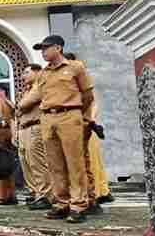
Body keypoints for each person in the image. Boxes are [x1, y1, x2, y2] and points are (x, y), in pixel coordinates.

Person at [33, 36, 95, 223]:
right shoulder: (43, 73)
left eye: (46, 48)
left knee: (74, 163)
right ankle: (62, 202)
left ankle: (78, 205)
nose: (43, 52)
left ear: (58, 47)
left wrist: (78, 115)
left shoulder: (76, 67)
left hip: (70, 115)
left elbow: (88, 95)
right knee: (55, 164)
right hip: (47, 117)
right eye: (41, 49)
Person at [64, 52, 111, 210]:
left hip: (85, 124)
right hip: (71, 125)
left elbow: (93, 102)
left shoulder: (83, 82)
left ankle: (97, 192)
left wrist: (89, 119)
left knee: (89, 161)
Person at [16, 63, 54, 210]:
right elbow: (19, 108)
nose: (23, 76)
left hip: (35, 127)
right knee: (26, 163)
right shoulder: (28, 89)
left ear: (37, 72)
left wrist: (21, 106)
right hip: (24, 128)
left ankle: (45, 195)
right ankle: (36, 192)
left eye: (26, 72)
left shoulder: (40, 85)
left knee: (37, 163)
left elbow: (24, 104)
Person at [0, 83, 17, 205]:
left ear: (1, 91)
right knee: (7, 164)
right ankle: (10, 194)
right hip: (7, 134)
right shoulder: (9, 102)